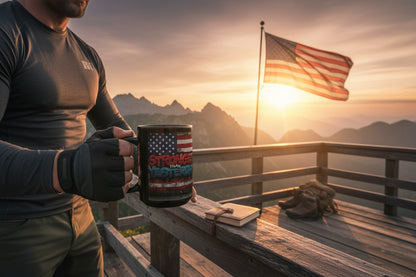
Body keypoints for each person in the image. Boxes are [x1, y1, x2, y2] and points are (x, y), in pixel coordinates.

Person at [0, 0, 137, 276]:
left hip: (81, 219)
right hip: (14, 226)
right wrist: (68, 168)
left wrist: (163, 166)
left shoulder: (87, 54)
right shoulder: (6, 31)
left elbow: (116, 126)